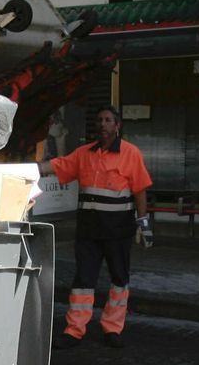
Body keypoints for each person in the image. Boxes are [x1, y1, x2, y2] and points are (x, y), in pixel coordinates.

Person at [34, 105, 153, 349]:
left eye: (108, 120)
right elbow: (57, 166)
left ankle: (112, 329)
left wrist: (144, 223)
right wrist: (29, 169)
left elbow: (140, 190)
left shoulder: (131, 154)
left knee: (119, 279)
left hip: (118, 230)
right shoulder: (84, 153)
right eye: (99, 120)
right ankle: (74, 330)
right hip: (89, 230)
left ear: (117, 125)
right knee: (83, 281)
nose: (103, 124)